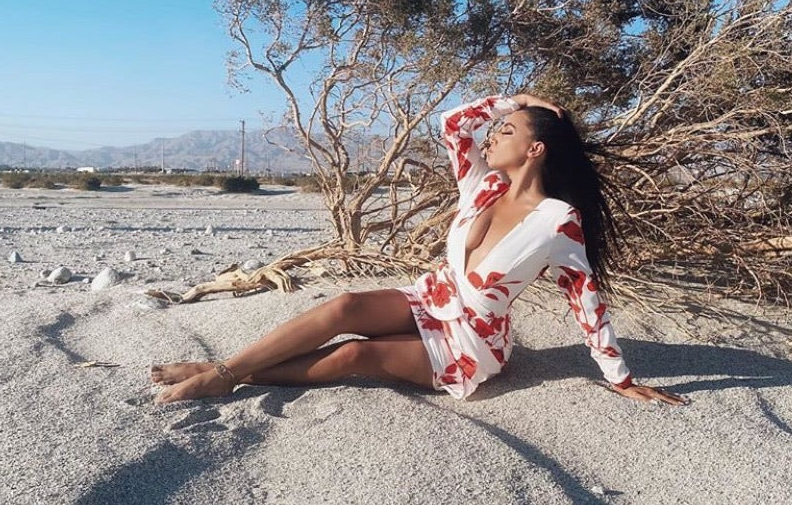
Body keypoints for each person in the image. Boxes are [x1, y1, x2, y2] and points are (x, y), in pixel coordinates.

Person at [151, 94, 690, 407]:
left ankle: (226, 377)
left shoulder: (557, 220)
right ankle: (224, 368)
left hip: (471, 342)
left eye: (507, 131)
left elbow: (586, 302)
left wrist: (620, 378)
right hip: (432, 295)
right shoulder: (480, 182)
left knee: (355, 354)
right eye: (497, 129)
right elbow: (453, 123)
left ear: (535, 149)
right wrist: (521, 101)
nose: (492, 137)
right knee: (344, 309)